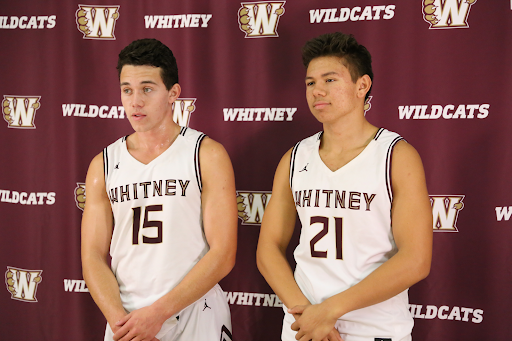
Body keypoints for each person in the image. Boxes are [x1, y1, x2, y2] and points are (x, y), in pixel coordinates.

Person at [256, 32, 433, 341]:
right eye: (310, 82)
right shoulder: (295, 158)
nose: (317, 91)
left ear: (361, 86)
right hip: (305, 326)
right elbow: (268, 249)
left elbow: (415, 260)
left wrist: (330, 311)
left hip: (374, 329)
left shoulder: (396, 156)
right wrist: (306, 315)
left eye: (330, 80)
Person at [81, 38, 237, 341]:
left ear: (173, 94)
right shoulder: (103, 164)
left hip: (196, 315)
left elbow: (223, 254)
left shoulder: (206, 154)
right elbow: (93, 256)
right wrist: (120, 322)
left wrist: (157, 314)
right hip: (126, 320)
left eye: (147, 89)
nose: (135, 101)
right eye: (127, 90)